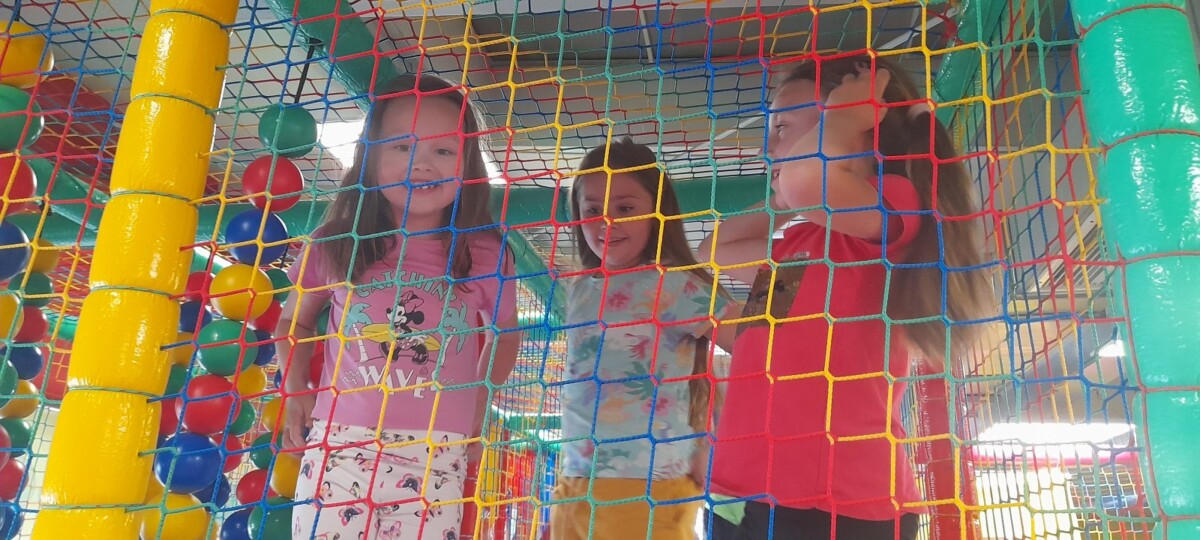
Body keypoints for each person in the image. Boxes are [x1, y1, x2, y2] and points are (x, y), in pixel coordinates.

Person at [698, 53, 995, 539]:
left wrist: (841, 120)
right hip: (742, 492)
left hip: (832, 502)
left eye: (782, 128)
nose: (768, 147)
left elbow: (808, 182)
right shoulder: (801, 242)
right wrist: (780, 198)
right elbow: (715, 250)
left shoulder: (892, 206)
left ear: (860, 124)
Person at [276, 73, 522, 539]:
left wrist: (479, 401)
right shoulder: (336, 242)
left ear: (467, 165)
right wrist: (295, 388)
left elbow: (505, 333)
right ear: (370, 157)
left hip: (437, 451)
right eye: (402, 146)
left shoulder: (484, 252)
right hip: (340, 444)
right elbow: (294, 320)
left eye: (443, 150)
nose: (421, 164)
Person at [550, 138, 741, 540]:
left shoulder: (672, 284)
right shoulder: (580, 289)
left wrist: (714, 438)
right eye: (592, 210)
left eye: (625, 208)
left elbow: (754, 348)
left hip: (645, 482)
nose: (606, 222)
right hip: (575, 480)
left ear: (656, 213)